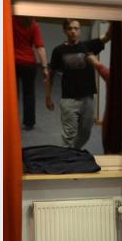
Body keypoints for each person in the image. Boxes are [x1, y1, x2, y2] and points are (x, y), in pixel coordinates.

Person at [45, 19, 111, 149]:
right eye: (70, 28)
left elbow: (107, 36)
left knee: (86, 133)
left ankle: (73, 153)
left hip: (88, 98)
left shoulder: (88, 46)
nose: (73, 31)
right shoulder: (58, 50)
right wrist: (48, 96)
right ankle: (68, 160)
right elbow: (51, 75)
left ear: (80, 30)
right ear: (65, 31)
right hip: (69, 99)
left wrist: (113, 22)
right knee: (69, 135)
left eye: (76, 28)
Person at [12, 16, 49, 131]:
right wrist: (44, 67)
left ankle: (11, 121)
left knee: (12, 94)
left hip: (13, 62)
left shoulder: (10, 20)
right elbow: (40, 47)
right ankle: (29, 123)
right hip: (29, 63)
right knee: (29, 93)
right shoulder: (33, 24)